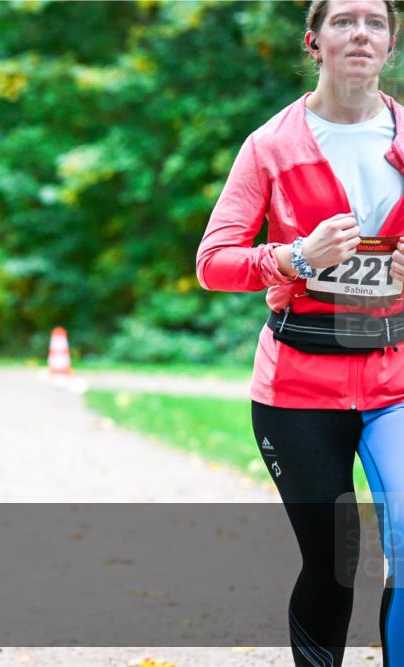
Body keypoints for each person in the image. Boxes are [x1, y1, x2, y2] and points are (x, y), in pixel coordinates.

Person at [197, 2, 403, 664]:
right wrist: (295, 257)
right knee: (335, 558)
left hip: (394, 380)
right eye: (344, 20)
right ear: (314, 41)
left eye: (376, 21)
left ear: (392, 45)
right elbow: (213, 262)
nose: (361, 33)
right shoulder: (270, 145)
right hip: (298, 390)